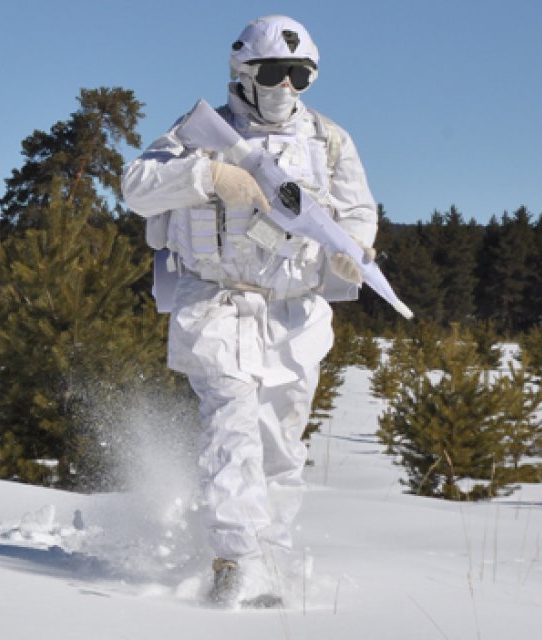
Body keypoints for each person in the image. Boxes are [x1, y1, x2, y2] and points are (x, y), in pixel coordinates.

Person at [121, 15, 378, 607]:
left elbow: (359, 208)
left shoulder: (329, 141)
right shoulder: (199, 131)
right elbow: (136, 185)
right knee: (232, 430)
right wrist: (209, 174)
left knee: (281, 446)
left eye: (300, 74)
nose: (285, 85)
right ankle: (234, 561)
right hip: (215, 303)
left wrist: (355, 250)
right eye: (273, 71)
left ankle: (274, 561)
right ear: (243, 70)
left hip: (295, 315)